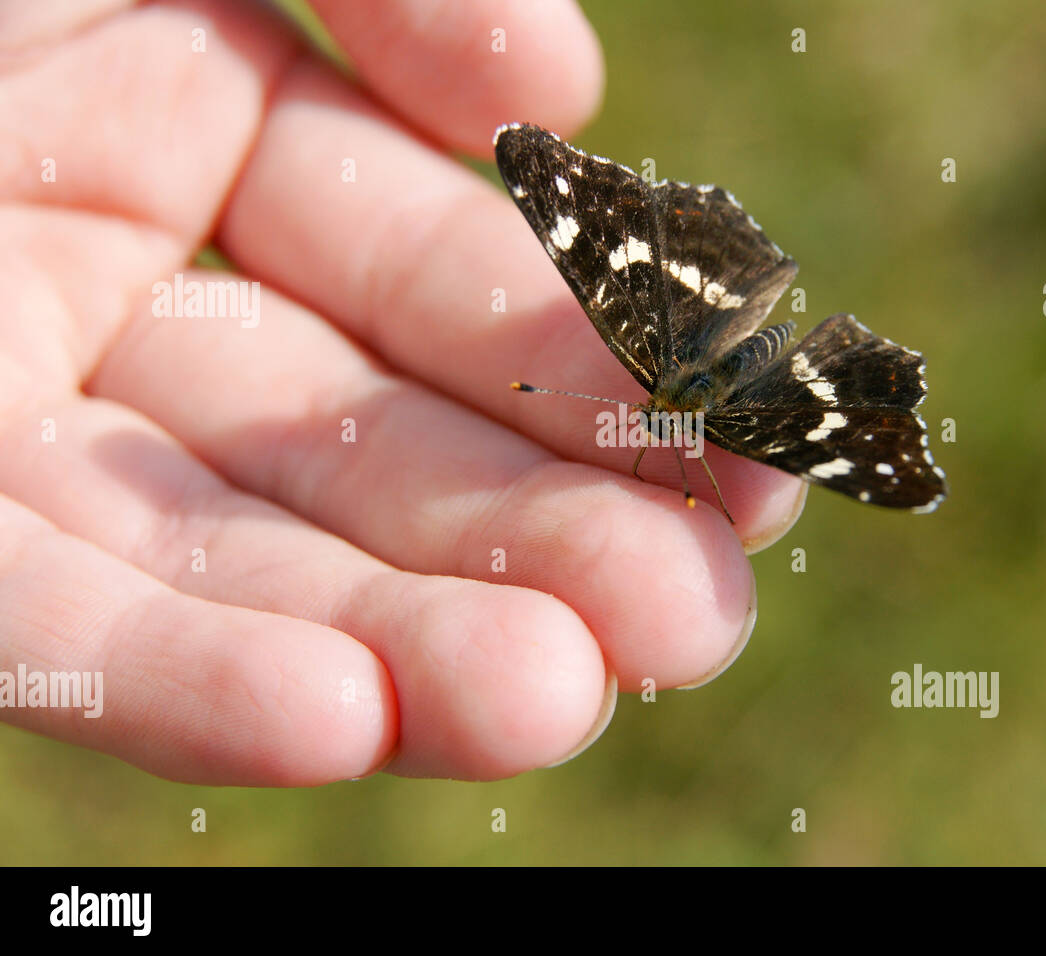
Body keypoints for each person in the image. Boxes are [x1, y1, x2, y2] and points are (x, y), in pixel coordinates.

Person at [0, 0, 805, 785]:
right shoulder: (652, 363)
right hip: (713, 296)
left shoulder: (646, 348)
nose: (652, 424)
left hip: (710, 310)